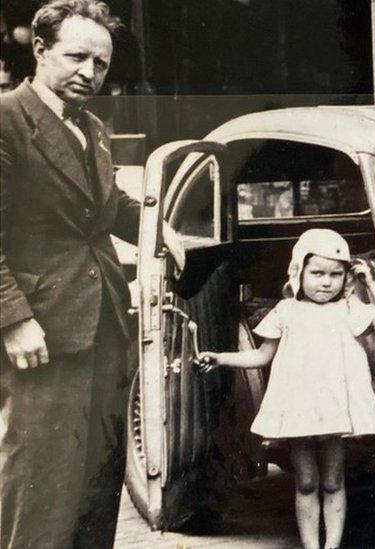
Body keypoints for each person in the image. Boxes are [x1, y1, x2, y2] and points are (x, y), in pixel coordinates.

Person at [0, 1, 138, 547]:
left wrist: (157, 225)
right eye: (77, 56)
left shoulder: (92, 126)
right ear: (40, 50)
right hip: (42, 331)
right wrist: (13, 319)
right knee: (41, 481)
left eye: (100, 64)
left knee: (98, 479)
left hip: (103, 320)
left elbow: (105, 205)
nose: (89, 73)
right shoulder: (7, 122)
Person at [198, 229, 375, 549]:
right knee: (306, 482)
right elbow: (261, 356)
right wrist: (221, 358)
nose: (326, 282)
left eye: (336, 274)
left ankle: (331, 546)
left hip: (335, 410)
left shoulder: (349, 310)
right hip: (300, 409)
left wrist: (368, 282)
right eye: (317, 273)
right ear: (298, 271)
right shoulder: (286, 311)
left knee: (333, 481)